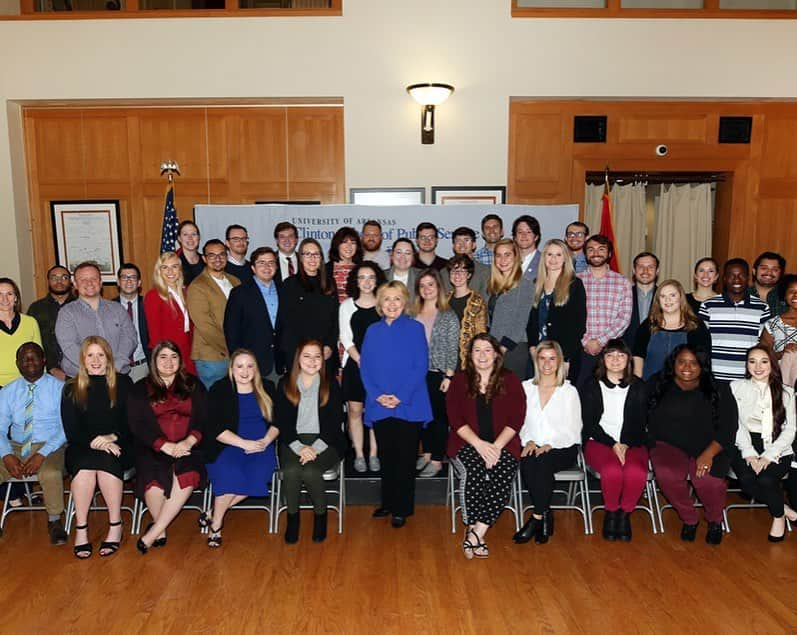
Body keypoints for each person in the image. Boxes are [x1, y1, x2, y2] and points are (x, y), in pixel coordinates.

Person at [647, 345, 737, 545]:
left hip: (711, 447)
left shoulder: (719, 389)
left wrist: (708, 454)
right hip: (668, 444)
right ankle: (689, 519)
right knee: (667, 475)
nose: (687, 367)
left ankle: (715, 521)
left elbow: (728, 428)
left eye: (693, 362)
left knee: (705, 480)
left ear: (702, 365)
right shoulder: (658, 384)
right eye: (682, 361)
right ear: (673, 364)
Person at [446, 334, 525, 559]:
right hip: (467, 442)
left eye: (487, 350)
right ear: (470, 356)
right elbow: (456, 420)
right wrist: (480, 445)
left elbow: (516, 420)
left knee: (503, 470)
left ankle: (476, 533)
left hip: (504, 443)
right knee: (475, 471)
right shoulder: (460, 381)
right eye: (477, 350)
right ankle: (473, 528)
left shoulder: (511, 380)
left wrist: (496, 447)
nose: (482, 355)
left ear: (496, 354)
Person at [360, 280, 432, 528]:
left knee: (404, 459)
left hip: (408, 403)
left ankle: (402, 508)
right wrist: (377, 395)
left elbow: (420, 366)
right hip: (379, 403)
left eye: (397, 299)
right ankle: (388, 502)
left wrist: (399, 396)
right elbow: (366, 368)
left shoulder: (415, 328)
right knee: (387, 456)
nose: (392, 304)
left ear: (405, 303)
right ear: (380, 304)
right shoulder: (372, 330)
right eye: (387, 299)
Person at [127, 340, 208, 554]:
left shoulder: (194, 385)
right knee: (152, 481)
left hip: (189, 447)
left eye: (173, 356)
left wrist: (188, 441)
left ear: (180, 361)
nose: (168, 362)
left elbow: (204, 419)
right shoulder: (139, 389)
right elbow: (136, 424)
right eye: (162, 357)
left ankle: (154, 532)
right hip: (153, 448)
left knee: (187, 473)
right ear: (154, 361)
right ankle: (160, 528)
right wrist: (164, 446)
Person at [60, 336, 132, 558]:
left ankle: (115, 525)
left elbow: (131, 422)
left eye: (101, 354)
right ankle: (81, 529)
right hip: (82, 445)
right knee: (84, 468)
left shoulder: (123, 383)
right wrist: (95, 442)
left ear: (108, 358)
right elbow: (71, 429)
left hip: (117, 444)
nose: (96, 360)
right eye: (90, 355)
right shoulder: (71, 387)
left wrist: (112, 437)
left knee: (107, 463)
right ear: (82, 359)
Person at [201, 349, 279, 548]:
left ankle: (212, 513)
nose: (245, 371)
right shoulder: (220, 389)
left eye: (250, 366)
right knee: (229, 473)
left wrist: (264, 441)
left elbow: (280, 422)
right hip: (228, 445)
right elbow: (214, 428)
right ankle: (216, 524)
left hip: (261, 446)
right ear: (231, 369)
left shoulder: (268, 387)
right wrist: (245, 444)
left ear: (256, 369)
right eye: (240, 366)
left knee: (257, 475)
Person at [274, 339, 345, 544]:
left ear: (323, 360)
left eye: (317, 356)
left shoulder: (331, 384)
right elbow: (282, 422)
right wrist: (299, 448)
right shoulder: (285, 384)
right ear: (298, 359)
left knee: (311, 471)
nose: (312, 361)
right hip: (292, 441)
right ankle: (293, 519)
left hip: (326, 442)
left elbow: (335, 423)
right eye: (307, 356)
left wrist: (314, 449)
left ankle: (320, 517)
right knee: (291, 471)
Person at [513, 340, 581, 545]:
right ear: (536, 361)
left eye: (552, 358)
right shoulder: (525, 388)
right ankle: (544, 514)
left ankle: (536, 518)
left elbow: (574, 429)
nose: (547, 364)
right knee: (529, 461)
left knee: (542, 462)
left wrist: (550, 444)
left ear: (559, 361)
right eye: (542, 358)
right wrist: (529, 440)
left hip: (563, 447)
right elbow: (518, 422)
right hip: (532, 444)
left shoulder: (569, 392)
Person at [580, 339, 648, 542]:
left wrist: (625, 443)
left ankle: (624, 514)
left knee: (636, 472)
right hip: (599, 441)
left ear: (628, 359)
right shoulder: (591, 385)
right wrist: (613, 444)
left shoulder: (639, 386)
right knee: (612, 471)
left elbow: (643, 421)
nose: (615, 360)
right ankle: (611, 513)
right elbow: (588, 422)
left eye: (621, 355)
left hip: (632, 441)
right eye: (610, 355)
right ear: (603, 359)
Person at [0, 342, 67, 545]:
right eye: (24, 358)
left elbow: (66, 428)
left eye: (34, 357)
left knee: (50, 473)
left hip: (51, 444)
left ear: (44, 360)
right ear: (17, 363)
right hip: (17, 445)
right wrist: (7, 454)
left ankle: (54, 521)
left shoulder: (60, 388)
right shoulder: (8, 391)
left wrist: (42, 453)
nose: (29, 362)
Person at [729, 345, 796, 541]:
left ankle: (778, 518)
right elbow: (735, 424)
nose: (758, 367)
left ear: (772, 364)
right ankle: (782, 510)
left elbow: (790, 430)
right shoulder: (736, 387)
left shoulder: (786, 392)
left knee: (766, 480)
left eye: (764, 361)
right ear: (746, 365)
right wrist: (749, 451)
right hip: (743, 443)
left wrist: (768, 455)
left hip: (777, 447)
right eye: (752, 362)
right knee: (748, 481)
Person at [338, 261, 385, 473]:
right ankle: (358, 454)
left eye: (371, 277)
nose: (367, 282)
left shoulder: (385, 304)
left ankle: (374, 455)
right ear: (356, 281)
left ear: (377, 281)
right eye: (362, 278)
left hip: (380, 369)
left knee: (375, 410)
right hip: (355, 366)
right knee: (355, 411)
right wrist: (360, 360)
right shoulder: (346, 306)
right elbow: (346, 339)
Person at [413, 269, 459, 479]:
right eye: (422, 285)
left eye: (430, 284)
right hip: (416, 374)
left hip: (438, 374)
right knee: (423, 418)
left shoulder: (448, 314)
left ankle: (437, 460)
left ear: (438, 287)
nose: (426, 289)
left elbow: (453, 347)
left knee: (439, 418)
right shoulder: (412, 313)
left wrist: (449, 376)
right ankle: (428, 451)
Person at [55, 262, 137, 378]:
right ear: (75, 285)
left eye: (94, 278)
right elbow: (69, 345)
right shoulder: (66, 313)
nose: (89, 283)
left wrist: (115, 366)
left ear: (100, 282)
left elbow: (130, 338)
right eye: (83, 279)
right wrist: (95, 369)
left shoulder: (117, 309)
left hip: (117, 374)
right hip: (81, 378)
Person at [699, 258, 770, 382]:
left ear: (748, 278)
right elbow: (701, 344)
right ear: (724, 278)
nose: (736, 279)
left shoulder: (762, 307)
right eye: (731, 275)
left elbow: (763, 345)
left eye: (741, 275)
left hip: (748, 378)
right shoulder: (708, 306)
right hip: (715, 377)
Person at [526, 239, 587, 382]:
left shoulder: (575, 285)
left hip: (563, 355)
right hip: (538, 354)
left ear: (565, 258)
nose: (553, 259)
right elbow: (531, 321)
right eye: (549, 254)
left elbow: (578, 326)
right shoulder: (536, 284)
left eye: (558, 255)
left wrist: (566, 357)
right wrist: (532, 347)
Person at [576, 235, 632, 387]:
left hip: (611, 351)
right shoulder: (574, 281)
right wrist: (586, 341)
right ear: (585, 254)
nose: (596, 253)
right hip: (581, 349)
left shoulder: (623, 282)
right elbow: (571, 318)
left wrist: (600, 341)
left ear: (609, 254)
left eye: (601, 249)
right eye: (591, 249)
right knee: (580, 395)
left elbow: (624, 318)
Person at [278, 238, 339, 376]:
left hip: (324, 352)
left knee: (325, 394)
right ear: (300, 258)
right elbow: (287, 322)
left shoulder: (330, 283)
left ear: (321, 258)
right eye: (307, 254)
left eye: (316, 254)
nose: (312, 258)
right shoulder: (289, 285)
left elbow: (335, 319)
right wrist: (304, 353)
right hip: (298, 353)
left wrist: (329, 345)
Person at [186, 239, 241, 390]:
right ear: (204, 258)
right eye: (212, 255)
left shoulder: (235, 281)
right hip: (211, 358)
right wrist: (232, 347)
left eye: (222, 254)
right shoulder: (197, 286)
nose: (218, 259)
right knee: (212, 403)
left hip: (236, 354)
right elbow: (205, 326)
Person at [224, 246, 282, 383]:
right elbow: (231, 330)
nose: (267, 267)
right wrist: (238, 361)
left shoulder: (285, 290)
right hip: (251, 363)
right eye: (261, 263)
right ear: (253, 268)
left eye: (271, 263)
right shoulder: (239, 293)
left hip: (280, 362)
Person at [632, 280, 710, 380]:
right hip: (649, 387)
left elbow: (702, 362)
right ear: (658, 300)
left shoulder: (696, 326)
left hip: (683, 390)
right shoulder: (648, 325)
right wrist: (638, 385)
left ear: (681, 298)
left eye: (672, 295)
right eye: (663, 296)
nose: (667, 300)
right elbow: (638, 356)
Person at [487, 239, 535, 378]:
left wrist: (502, 349)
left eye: (507, 254)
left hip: (514, 349)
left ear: (516, 257)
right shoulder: (493, 285)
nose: (502, 259)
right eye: (498, 255)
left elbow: (521, 321)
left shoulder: (525, 285)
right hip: (494, 347)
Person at [143, 252, 196, 376]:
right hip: (169, 356)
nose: (170, 271)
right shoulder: (153, 295)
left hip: (187, 353)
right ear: (159, 271)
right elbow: (154, 334)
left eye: (174, 266)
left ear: (180, 269)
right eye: (165, 267)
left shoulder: (186, 291)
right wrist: (163, 360)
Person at [27, 265, 76, 381]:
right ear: (48, 281)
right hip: (45, 373)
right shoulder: (36, 308)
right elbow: (30, 342)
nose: (59, 282)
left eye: (64, 278)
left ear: (70, 282)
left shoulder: (80, 306)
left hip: (78, 371)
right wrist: (51, 367)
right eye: (54, 278)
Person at [446, 255, 487, 370]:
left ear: (469, 275)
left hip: (467, 359)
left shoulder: (477, 301)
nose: (457, 275)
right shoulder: (444, 299)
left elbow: (481, 333)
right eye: (454, 271)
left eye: (462, 271)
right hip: (447, 358)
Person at [112, 263, 150, 383]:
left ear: (139, 282)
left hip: (144, 366)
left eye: (133, 277)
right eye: (124, 277)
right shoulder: (108, 307)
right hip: (117, 368)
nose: (128, 281)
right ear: (118, 282)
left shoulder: (149, 304)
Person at [0, 278, 42, 386]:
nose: (4, 299)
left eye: (9, 294)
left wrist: (41, 384)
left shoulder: (30, 322)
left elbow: (39, 356)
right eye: (0, 294)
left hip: (26, 384)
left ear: (15, 298)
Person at [761, 274, 797, 386]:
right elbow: (763, 355)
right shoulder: (773, 324)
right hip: (781, 380)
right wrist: (782, 353)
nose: (796, 295)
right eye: (791, 291)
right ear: (785, 296)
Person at [622, 252, 659, 348]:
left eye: (650, 267)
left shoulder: (665, 297)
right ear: (634, 270)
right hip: (627, 352)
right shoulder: (622, 294)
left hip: (656, 352)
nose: (645, 271)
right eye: (641, 267)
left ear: (657, 271)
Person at [449, 226, 491, 300]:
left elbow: (486, 301)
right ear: (453, 245)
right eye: (458, 240)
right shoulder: (444, 272)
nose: (462, 244)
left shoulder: (486, 271)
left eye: (466, 240)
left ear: (474, 244)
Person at [326, 226, 363, 303]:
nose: (349, 246)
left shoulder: (362, 269)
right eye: (344, 242)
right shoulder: (325, 269)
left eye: (353, 243)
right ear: (337, 245)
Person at [750, 251, 787, 316]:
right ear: (754, 271)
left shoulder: (787, 298)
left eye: (775, 270)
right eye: (764, 268)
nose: (769, 272)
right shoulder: (741, 295)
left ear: (781, 274)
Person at [384, 237, 420, 303]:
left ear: (413, 257)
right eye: (399, 252)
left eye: (407, 253)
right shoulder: (382, 276)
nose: (402, 257)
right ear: (392, 255)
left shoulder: (421, 276)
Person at [512, 214, 541, 283]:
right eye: (520, 232)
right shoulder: (507, 261)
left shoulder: (544, 261)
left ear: (536, 236)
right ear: (515, 237)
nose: (524, 235)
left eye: (528, 232)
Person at [176, 220, 204, 286]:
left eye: (193, 234)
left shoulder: (206, 260)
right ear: (179, 238)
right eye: (185, 234)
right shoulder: (175, 262)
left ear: (198, 237)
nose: (190, 238)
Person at [273, 221, 299, 286]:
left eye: (290, 236)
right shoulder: (270, 260)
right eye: (282, 237)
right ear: (277, 240)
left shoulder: (305, 260)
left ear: (296, 240)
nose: (287, 240)